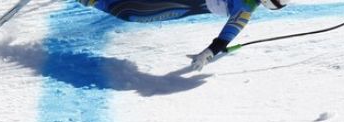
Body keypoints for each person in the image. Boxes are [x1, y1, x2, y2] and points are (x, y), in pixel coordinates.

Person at [77, 0, 289, 71]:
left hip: (184, 5)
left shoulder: (246, 7)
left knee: (132, 13)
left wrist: (209, 53)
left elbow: (230, 32)